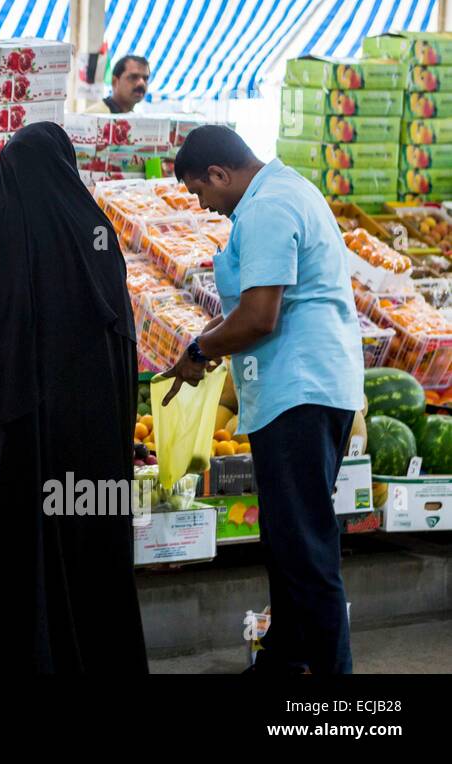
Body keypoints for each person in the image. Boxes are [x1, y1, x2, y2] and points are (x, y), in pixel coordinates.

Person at [0, 122, 148, 674]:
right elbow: (121, 345)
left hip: (9, 450)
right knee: (81, 565)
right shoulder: (96, 238)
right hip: (85, 454)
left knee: (8, 563)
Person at [163, 125, 363, 675]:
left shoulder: (269, 207)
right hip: (306, 387)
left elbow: (259, 317)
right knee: (286, 539)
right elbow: (256, 304)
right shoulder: (286, 190)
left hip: (300, 392)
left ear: (221, 174)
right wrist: (202, 346)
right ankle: (284, 659)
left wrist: (200, 348)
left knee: (305, 547)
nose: (204, 206)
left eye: (202, 192)